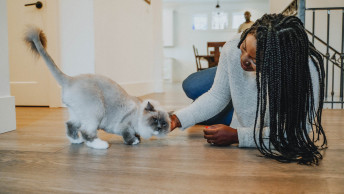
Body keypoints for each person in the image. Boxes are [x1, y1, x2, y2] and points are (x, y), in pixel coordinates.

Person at [170, 14, 327, 165]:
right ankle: (230, 103)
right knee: (191, 87)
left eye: (254, 60)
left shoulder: (306, 70)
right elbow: (217, 96)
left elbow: (295, 133)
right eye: (244, 48)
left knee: (209, 117)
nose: (243, 60)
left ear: (279, 63)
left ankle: (229, 109)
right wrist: (176, 119)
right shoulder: (233, 46)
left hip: (253, 119)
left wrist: (237, 136)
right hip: (243, 109)